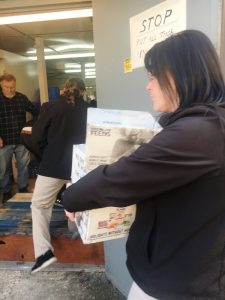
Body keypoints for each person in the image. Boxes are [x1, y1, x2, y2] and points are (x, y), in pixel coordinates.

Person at [62, 30, 225, 299]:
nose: (148, 87)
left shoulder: (198, 133)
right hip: (178, 270)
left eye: (152, 78)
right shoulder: (204, 123)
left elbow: (120, 179)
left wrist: (71, 196)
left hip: (177, 284)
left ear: (179, 75)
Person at [29, 88, 88, 274]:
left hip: (53, 165)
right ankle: (77, 234)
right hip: (79, 166)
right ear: (82, 91)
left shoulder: (50, 107)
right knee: (75, 201)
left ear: (64, 91)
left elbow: (36, 137)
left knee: (40, 206)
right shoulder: (89, 109)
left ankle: (44, 253)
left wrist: (43, 157)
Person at [0, 73, 38, 202]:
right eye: (7, 87)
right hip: (3, 141)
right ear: (1, 85)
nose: (10, 90)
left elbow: (36, 112)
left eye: (12, 87)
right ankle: (6, 191)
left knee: (23, 166)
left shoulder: (21, 98)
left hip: (21, 140)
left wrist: (30, 127)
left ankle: (22, 188)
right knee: (4, 169)